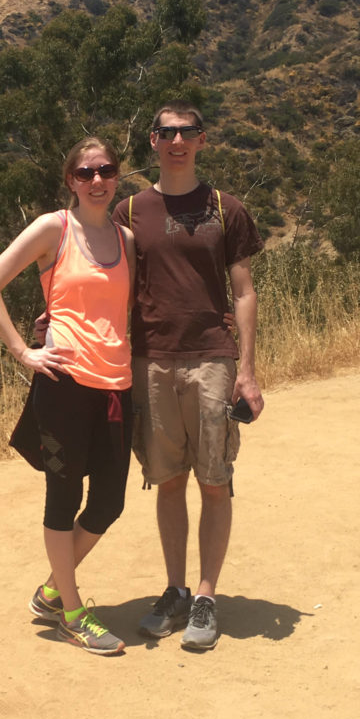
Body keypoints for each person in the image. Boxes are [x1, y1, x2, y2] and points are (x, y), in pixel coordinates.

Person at [111, 100, 264, 651]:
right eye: (167, 132)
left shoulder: (227, 208)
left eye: (188, 132)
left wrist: (247, 371)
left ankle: (205, 596)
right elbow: (105, 283)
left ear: (203, 140)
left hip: (211, 358)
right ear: (152, 141)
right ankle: (175, 589)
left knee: (214, 480)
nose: (177, 141)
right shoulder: (128, 212)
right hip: (150, 359)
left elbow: (243, 292)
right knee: (168, 479)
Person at [0, 137, 135, 656]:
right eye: (85, 172)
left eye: (105, 170)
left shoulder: (126, 239)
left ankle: (50, 590)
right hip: (64, 383)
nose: (96, 180)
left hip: (116, 384)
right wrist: (24, 351)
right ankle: (72, 612)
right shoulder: (53, 229)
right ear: (71, 180)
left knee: (108, 503)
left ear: (116, 176)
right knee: (63, 500)